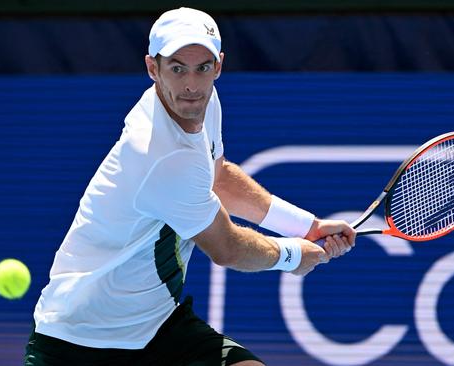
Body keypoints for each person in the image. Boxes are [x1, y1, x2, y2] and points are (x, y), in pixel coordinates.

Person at [24, 7, 356, 366]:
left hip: (157, 325)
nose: (191, 85)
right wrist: (292, 256)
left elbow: (219, 178)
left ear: (219, 65)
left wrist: (306, 227)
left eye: (203, 68)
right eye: (177, 68)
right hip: (79, 341)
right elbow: (226, 248)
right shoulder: (161, 154)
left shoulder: (203, 102)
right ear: (153, 68)